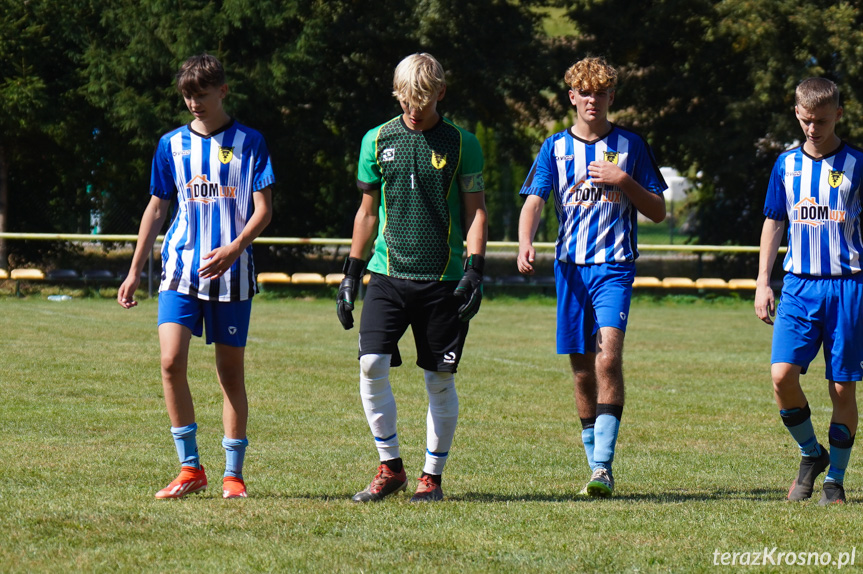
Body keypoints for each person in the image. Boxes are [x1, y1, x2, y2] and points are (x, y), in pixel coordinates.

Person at [117, 53, 274, 500]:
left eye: (201, 95)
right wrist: (133, 272)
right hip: (180, 271)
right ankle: (190, 469)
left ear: (222, 90)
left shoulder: (251, 142)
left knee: (229, 374)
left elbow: (263, 211)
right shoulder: (170, 145)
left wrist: (233, 249)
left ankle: (232, 474)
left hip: (233, 276)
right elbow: (156, 208)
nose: (193, 104)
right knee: (170, 363)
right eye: (187, 96)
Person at [336, 52, 487, 503]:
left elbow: (475, 210)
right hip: (386, 274)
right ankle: (390, 468)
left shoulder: (464, 143)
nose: (412, 109)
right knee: (370, 364)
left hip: (443, 280)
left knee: (438, 380)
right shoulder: (376, 139)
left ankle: (431, 478)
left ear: (441, 91)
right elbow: (366, 213)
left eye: (421, 99)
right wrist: (350, 273)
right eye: (405, 99)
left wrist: (476, 269)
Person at [516, 57, 667, 498]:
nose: (592, 101)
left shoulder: (630, 146)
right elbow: (534, 201)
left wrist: (624, 180)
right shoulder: (555, 148)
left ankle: (603, 467)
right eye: (584, 93)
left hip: (614, 267)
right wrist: (526, 241)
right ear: (572, 98)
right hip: (570, 271)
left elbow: (658, 210)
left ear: (611, 97)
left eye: (600, 93)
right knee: (582, 371)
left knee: (607, 359)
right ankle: (593, 464)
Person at [755, 77, 863, 505]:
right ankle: (810, 453)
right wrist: (763, 281)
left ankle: (834, 480)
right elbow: (774, 221)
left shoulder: (858, 164)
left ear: (838, 113)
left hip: (848, 288)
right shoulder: (785, 166)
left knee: (842, 389)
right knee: (781, 377)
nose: (812, 128)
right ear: (796, 114)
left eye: (820, 120)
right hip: (798, 287)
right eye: (805, 120)